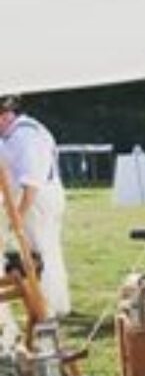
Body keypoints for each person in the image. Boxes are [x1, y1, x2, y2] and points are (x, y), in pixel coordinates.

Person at [0, 97, 71, 318]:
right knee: (42, 251)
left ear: (4, 116)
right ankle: (52, 303)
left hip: (39, 200)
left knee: (40, 253)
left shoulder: (25, 135)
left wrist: (16, 218)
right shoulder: (13, 135)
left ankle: (49, 305)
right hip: (33, 197)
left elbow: (31, 184)